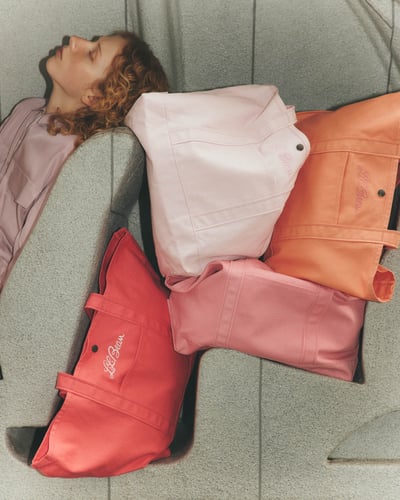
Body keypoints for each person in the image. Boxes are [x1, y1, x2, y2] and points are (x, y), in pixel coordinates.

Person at [0, 31, 168, 291]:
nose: (75, 40)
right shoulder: (26, 110)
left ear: (95, 97)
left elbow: (27, 269)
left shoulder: (70, 158)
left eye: (92, 54)